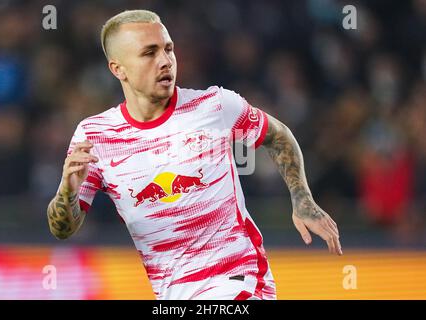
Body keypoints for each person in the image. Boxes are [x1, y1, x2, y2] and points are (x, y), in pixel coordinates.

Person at [46, 9, 342, 300]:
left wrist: (302, 199)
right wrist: (67, 192)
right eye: (149, 53)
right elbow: (63, 229)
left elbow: (278, 136)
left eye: (168, 49)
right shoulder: (95, 136)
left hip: (240, 283)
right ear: (118, 68)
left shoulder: (214, 106)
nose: (165, 61)